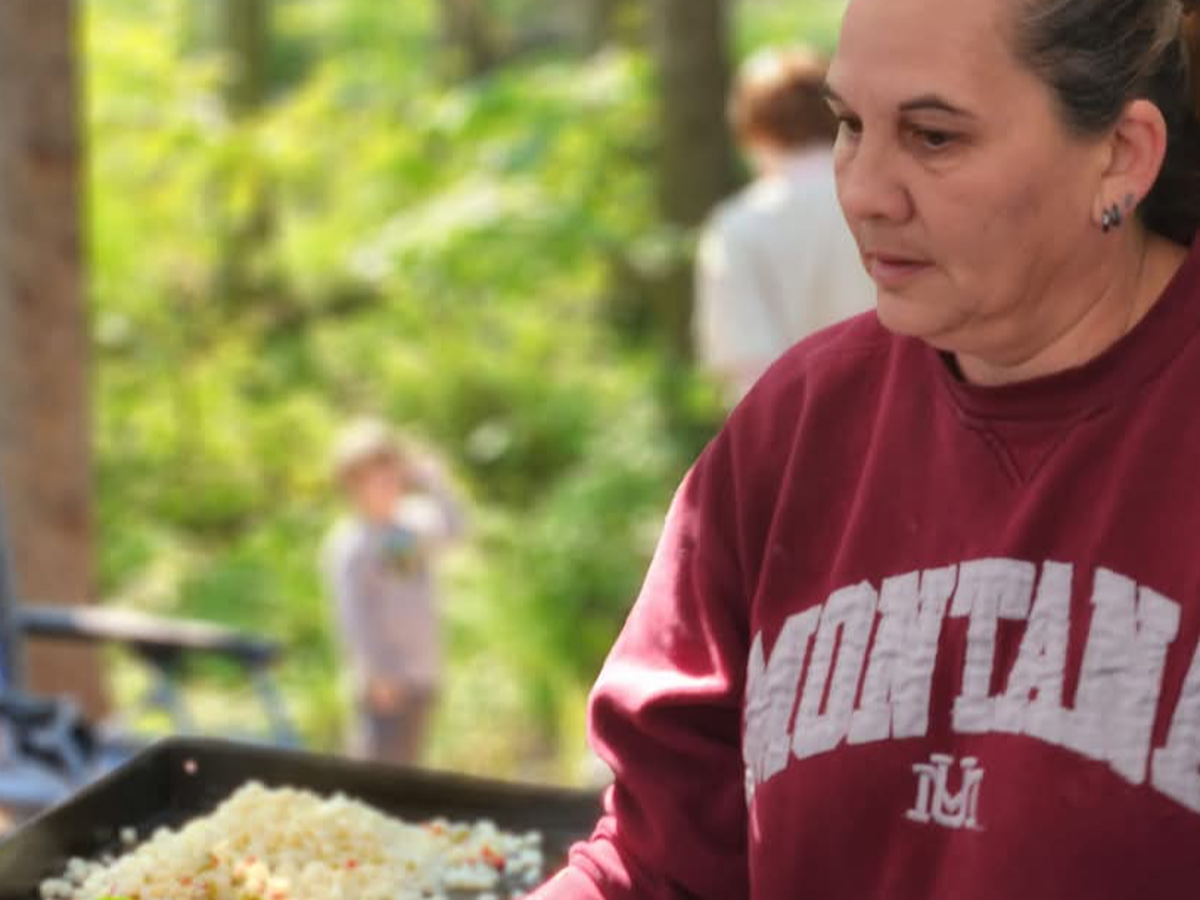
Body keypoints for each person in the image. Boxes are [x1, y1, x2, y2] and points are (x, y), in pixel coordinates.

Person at [532, 0, 1200, 896]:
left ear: (1121, 155)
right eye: (849, 125)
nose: (864, 192)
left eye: (933, 137)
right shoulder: (795, 426)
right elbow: (657, 862)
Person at [693, 46, 875, 406]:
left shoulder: (739, 227)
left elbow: (746, 363)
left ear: (752, 129)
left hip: (800, 424)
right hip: (909, 413)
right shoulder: (886, 199)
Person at [321, 418, 464, 766]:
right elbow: (353, 616)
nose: (388, 487)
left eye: (393, 477)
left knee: (409, 769)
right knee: (378, 771)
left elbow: (456, 530)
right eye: (377, 481)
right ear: (354, 487)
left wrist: (434, 481)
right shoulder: (352, 544)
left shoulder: (411, 527)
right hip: (384, 685)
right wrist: (375, 673)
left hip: (421, 674)